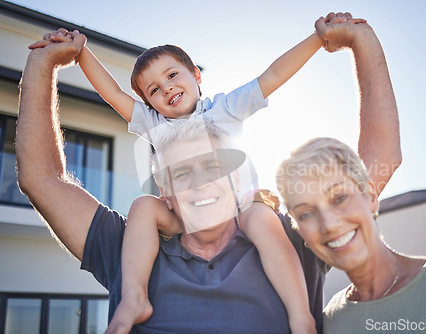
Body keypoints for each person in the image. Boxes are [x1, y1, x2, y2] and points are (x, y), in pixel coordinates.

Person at [17, 12, 401, 333]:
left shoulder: (290, 240)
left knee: (260, 217)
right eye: (181, 173)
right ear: (164, 187)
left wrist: (351, 40)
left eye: (214, 166)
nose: (200, 180)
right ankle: (134, 299)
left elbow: (376, 157)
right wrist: (52, 59)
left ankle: (301, 316)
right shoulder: (134, 247)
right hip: (159, 231)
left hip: (251, 209)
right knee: (141, 207)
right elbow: (43, 176)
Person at [275, 138, 426, 331]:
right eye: (306, 214)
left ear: (371, 196)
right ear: (299, 229)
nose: (329, 225)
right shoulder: (331, 320)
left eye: (339, 198)